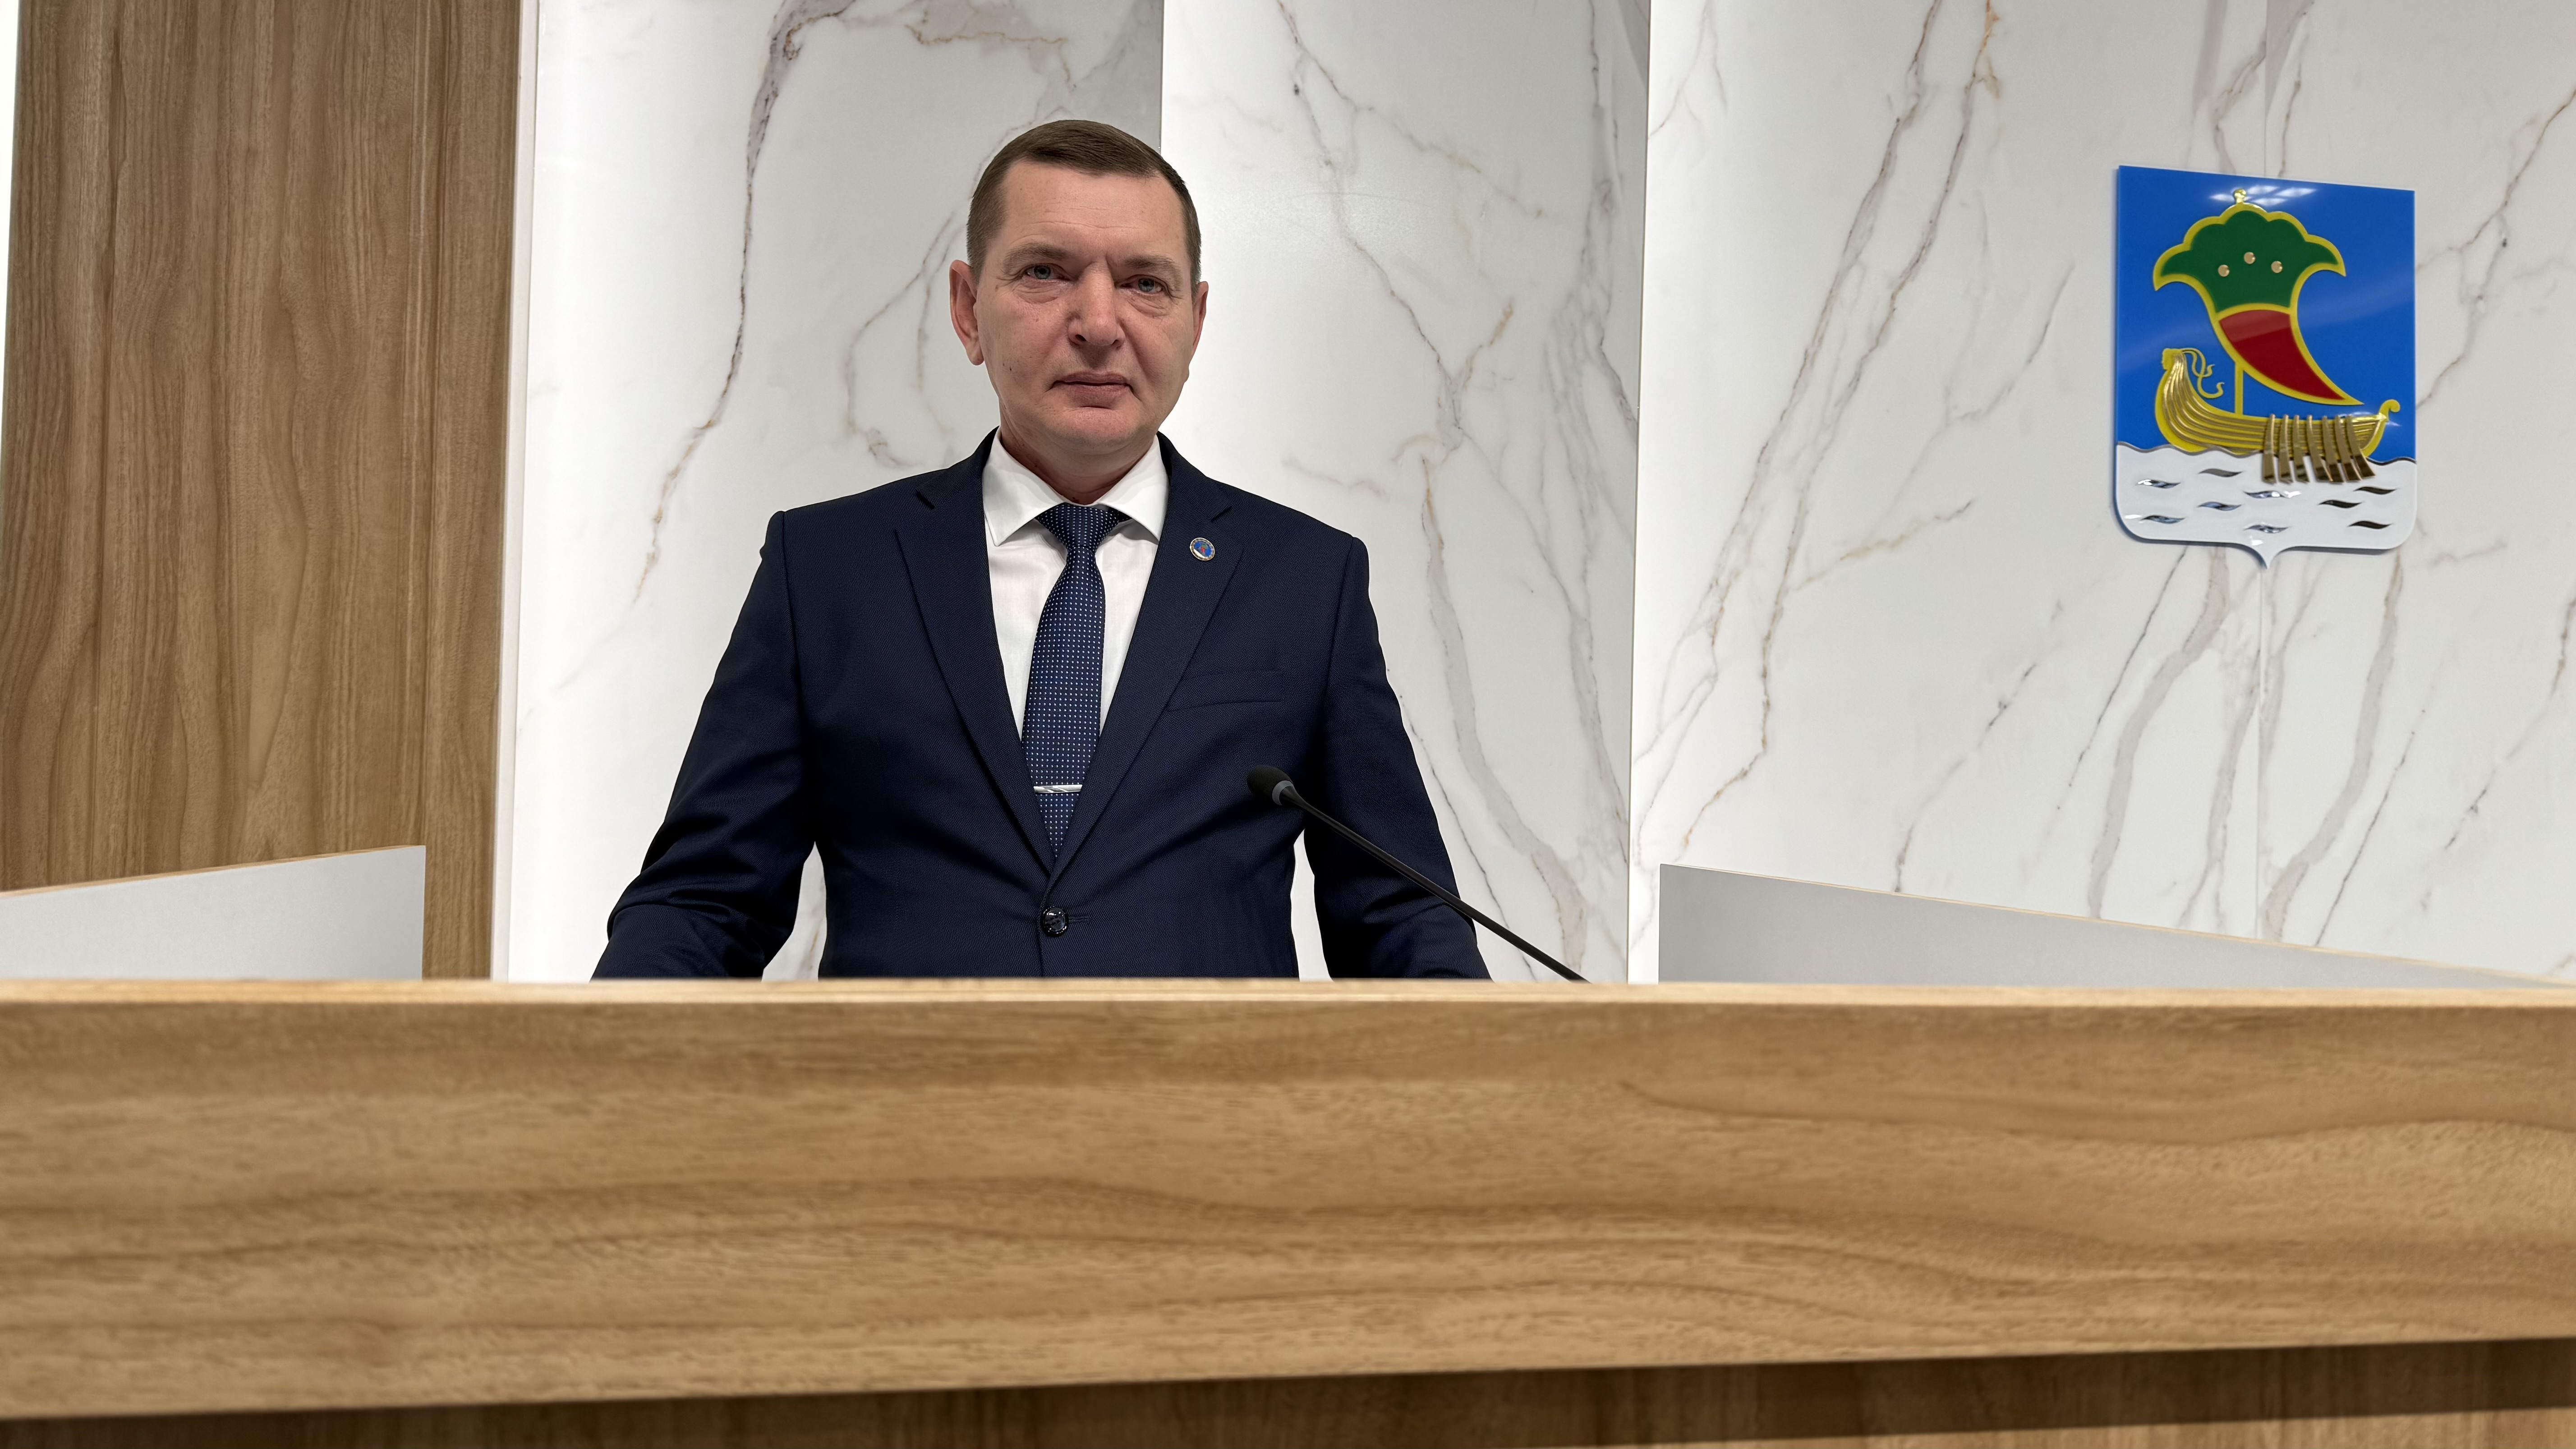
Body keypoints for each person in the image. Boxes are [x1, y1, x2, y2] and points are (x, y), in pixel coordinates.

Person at [593, 120, 1484, 980]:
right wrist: (595, 1063)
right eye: (1046, 273)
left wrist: (1504, 1066)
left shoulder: (1304, 580)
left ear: (1195, 321)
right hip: (910, 1086)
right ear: (967, 310)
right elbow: (703, 903)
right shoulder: (827, 568)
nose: (1098, 323)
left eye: (1145, 282)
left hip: (1203, 1089)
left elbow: (1400, 916)